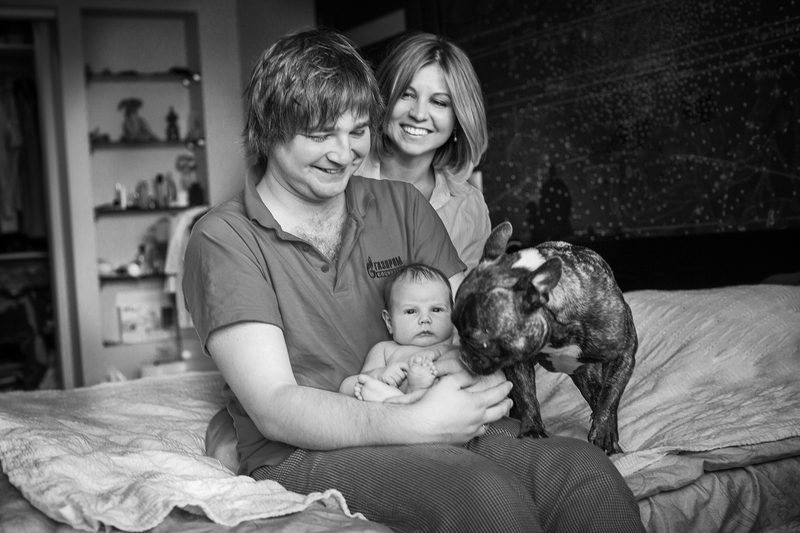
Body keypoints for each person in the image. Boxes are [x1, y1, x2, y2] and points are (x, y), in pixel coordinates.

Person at [186, 27, 645, 533]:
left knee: (587, 471)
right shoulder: (223, 238)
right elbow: (273, 406)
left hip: (437, 418)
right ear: (269, 127)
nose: (343, 153)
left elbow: (472, 335)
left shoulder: (403, 205)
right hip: (304, 449)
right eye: (320, 135)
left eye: (358, 131)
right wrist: (412, 421)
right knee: (484, 499)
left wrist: (456, 393)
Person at [357, 32, 491, 272]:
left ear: (458, 118)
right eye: (406, 94)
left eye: (439, 102)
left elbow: (464, 294)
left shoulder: (469, 207)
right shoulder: (343, 173)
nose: (418, 114)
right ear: (383, 99)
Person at [339, 263, 454, 402]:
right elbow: (356, 384)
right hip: (394, 406)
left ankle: (414, 393)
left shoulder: (455, 345)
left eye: (436, 310)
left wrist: (440, 351)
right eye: (411, 311)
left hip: (443, 404)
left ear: (454, 315)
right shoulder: (385, 350)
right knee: (349, 385)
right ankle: (403, 396)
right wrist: (379, 375)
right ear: (389, 322)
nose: (425, 319)